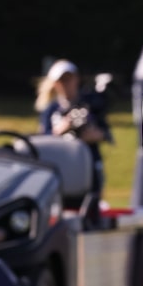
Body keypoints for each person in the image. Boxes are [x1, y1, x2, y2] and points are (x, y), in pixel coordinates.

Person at [35, 58, 112, 221]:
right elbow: (43, 140)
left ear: (76, 79)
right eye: (61, 80)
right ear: (55, 84)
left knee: (90, 209)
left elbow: (105, 133)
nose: (66, 84)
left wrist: (93, 135)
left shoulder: (91, 104)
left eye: (68, 78)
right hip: (60, 168)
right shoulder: (51, 110)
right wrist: (61, 129)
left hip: (89, 165)